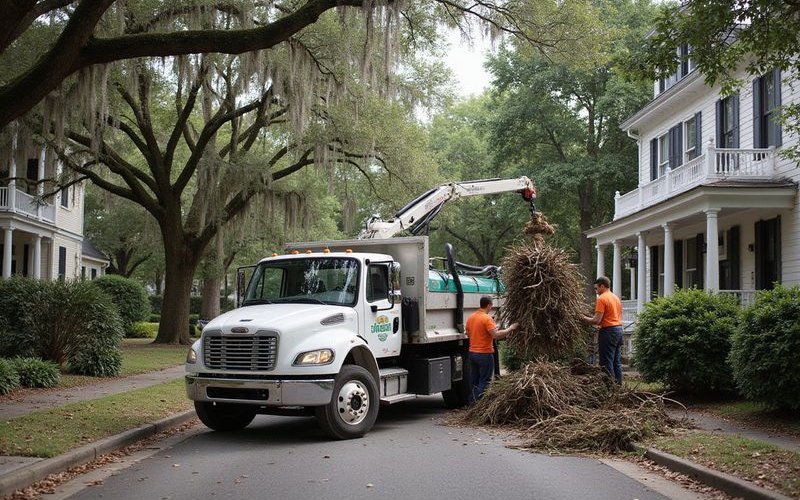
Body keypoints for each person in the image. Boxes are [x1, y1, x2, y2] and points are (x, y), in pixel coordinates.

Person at [466, 296, 519, 403]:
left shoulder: (471, 317)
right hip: (484, 354)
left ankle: (472, 403)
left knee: (474, 381)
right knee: (485, 381)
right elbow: (496, 335)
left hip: (472, 354)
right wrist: (510, 329)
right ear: (489, 305)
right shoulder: (487, 318)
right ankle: (477, 404)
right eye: (491, 306)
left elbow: (468, 333)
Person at [582, 276, 624, 384]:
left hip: (608, 332)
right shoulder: (615, 298)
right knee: (616, 362)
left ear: (602, 286)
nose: (596, 291)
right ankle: (618, 387)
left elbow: (596, 320)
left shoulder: (602, 298)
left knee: (606, 362)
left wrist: (581, 318)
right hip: (619, 330)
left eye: (596, 289)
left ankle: (609, 388)